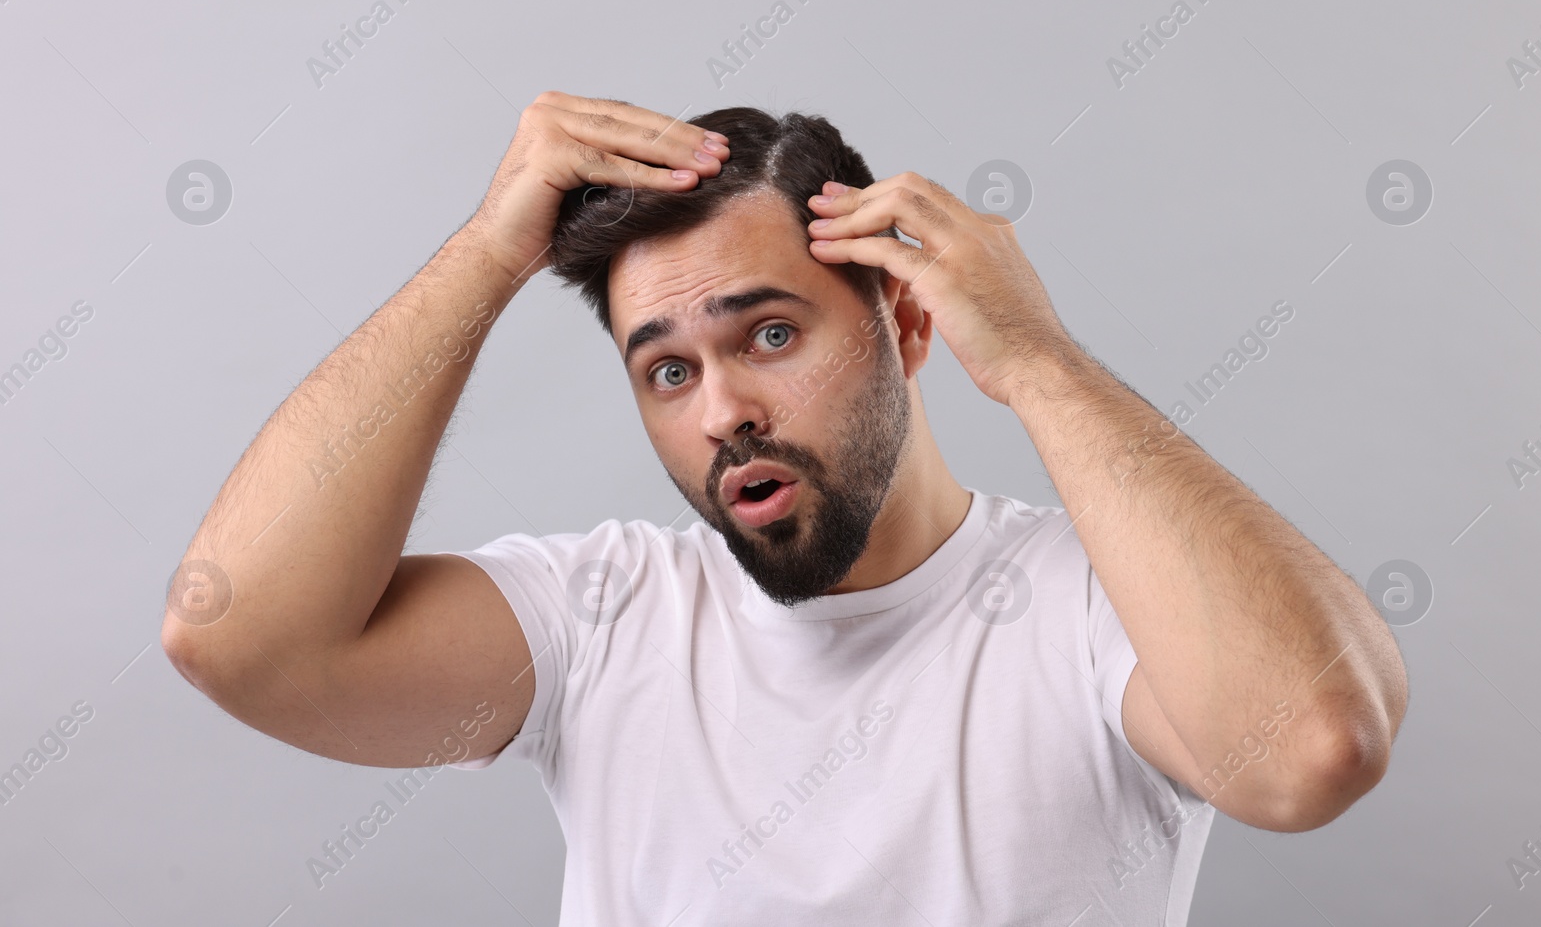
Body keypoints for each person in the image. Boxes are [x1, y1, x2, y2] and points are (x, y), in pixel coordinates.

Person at [162, 91, 1408, 924]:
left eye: (767, 331)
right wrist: (491, 253)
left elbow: (1311, 751)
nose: (721, 411)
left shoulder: (1095, 610)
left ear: (906, 321)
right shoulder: (605, 619)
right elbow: (239, 637)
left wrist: (1037, 358)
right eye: (667, 369)